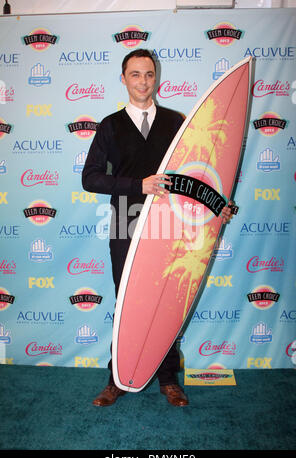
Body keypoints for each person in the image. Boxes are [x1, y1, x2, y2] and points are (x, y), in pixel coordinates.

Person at [82, 49, 233, 407]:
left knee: (168, 303)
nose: (142, 82)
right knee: (128, 303)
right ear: (123, 79)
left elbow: (194, 172)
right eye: (135, 75)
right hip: (126, 222)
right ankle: (116, 377)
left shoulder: (175, 121)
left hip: (170, 224)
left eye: (148, 74)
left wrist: (216, 206)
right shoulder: (109, 125)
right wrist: (138, 185)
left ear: (156, 78)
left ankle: (168, 380)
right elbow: (90, 179)